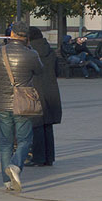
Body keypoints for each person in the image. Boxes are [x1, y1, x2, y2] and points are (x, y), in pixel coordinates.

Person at [0, 21, 44, 194]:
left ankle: (7, 182)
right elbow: (40, 70)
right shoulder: (31, 54)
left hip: (2, 103)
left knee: (5, 143)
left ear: (11, 34)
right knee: (25, 139)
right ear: (26, 37)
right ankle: (15, 165)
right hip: (23, 103)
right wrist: (30, 49)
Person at [27, 27, 66, 167]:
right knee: (48, 126)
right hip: (51, 91)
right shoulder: (50, 51)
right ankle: (49, 157)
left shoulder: (30, 53)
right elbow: (57, 71)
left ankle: (38, 157)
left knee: (37, 125)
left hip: (36, 90)